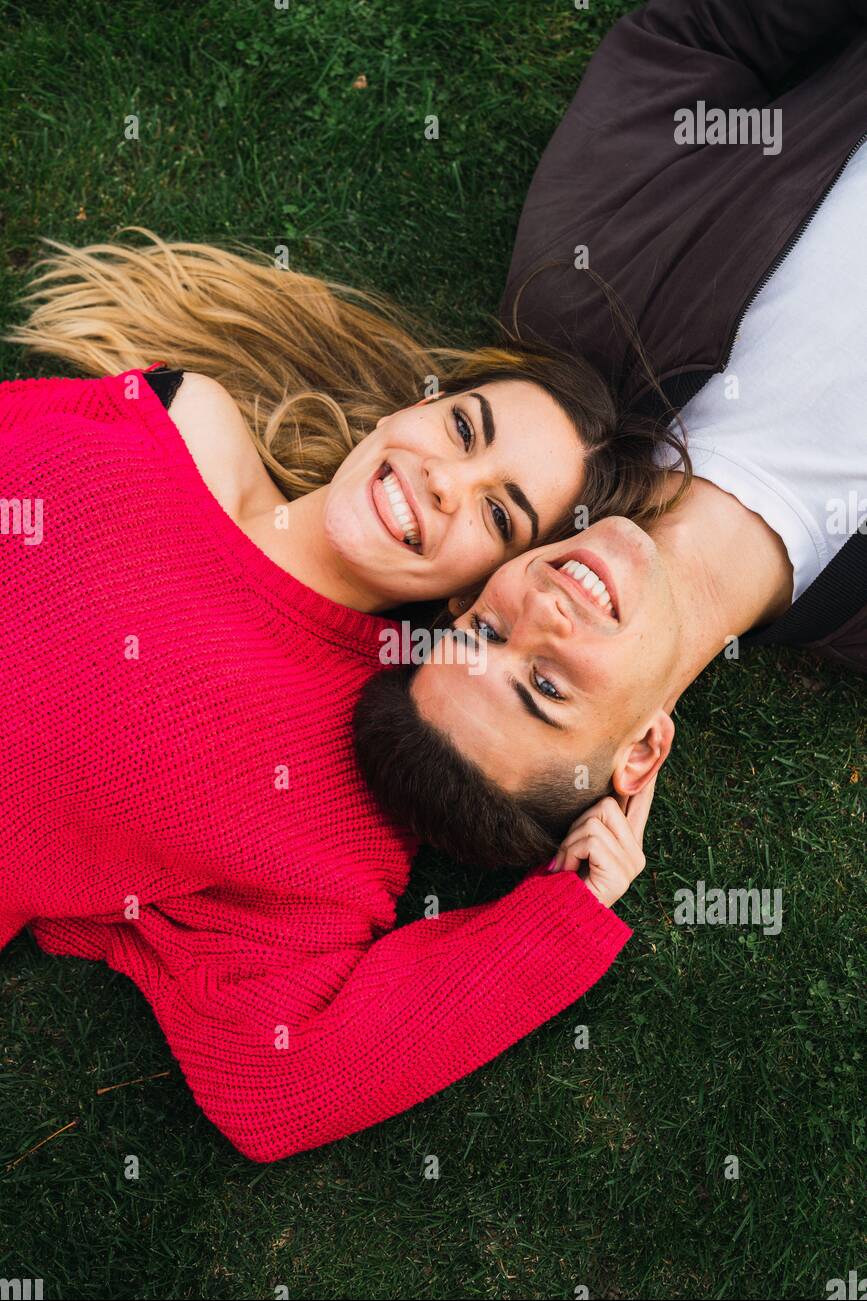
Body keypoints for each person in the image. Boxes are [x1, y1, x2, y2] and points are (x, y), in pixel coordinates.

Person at [0, 229, 671, 1161]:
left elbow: (280, 1081)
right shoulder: (180, 406)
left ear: (491, 584)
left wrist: (555, 924)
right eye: (463, 429)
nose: (445, 478)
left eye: (495, 511)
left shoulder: (331, 782)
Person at [352, 0, 867, 868]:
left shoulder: (587, 297)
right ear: (639, 753)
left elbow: (700, 37)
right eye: (545, 688)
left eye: (482, 632)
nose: (540, 615)